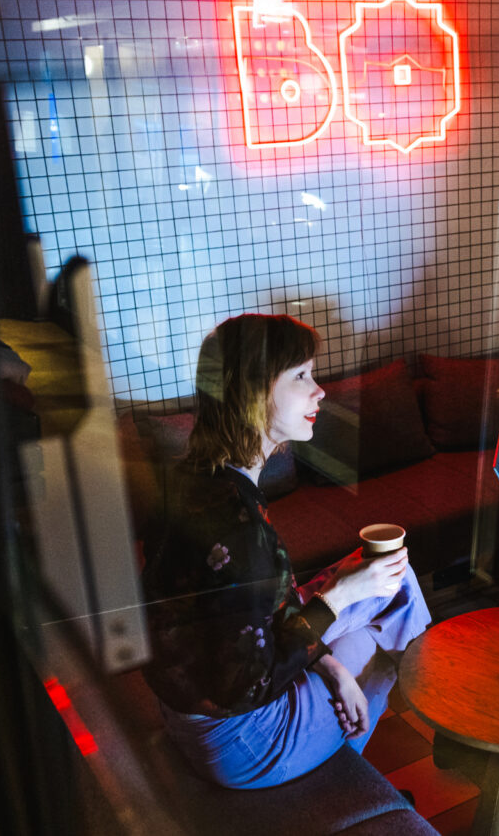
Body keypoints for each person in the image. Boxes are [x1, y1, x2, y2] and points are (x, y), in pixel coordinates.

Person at [141, 314, 431, 789]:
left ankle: (405, 710)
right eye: (301, 376)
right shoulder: (237, 530)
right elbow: (247, 687)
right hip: (243, 740)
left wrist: (332, 666)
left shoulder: (200, 478)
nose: (319, 391)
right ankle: (340, 775)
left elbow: (254, 620)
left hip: (190, 710)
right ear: (252, 392)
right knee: (379, 648)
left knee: (391, 578)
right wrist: (336, 598)